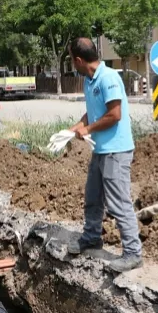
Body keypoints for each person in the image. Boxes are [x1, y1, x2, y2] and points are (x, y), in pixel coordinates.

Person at [66, 37, 142, 273]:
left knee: (119, 203)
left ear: (79, 60)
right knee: (93, 196)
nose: (72, 65)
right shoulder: (90, 80)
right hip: (101, 150)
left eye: (71, 60)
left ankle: (133, 252)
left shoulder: (108, 78)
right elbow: (93, 111)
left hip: (116, 151)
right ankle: (91, 238)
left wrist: (87, 130)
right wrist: (74, 127)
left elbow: (114, 114)